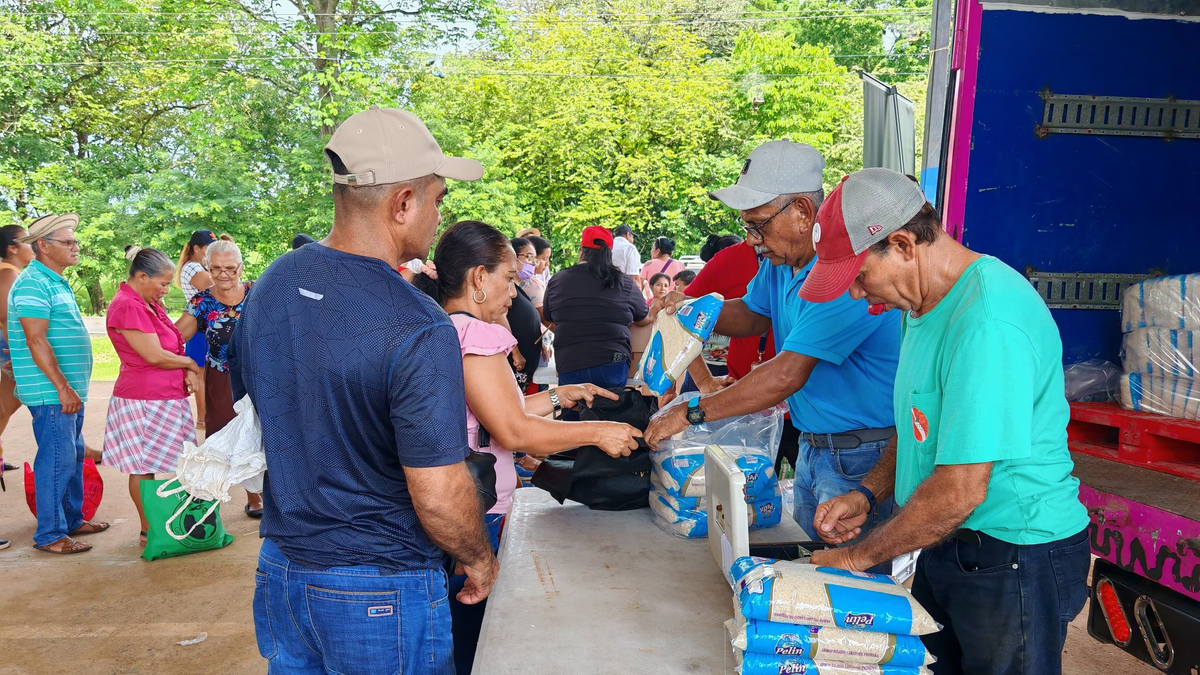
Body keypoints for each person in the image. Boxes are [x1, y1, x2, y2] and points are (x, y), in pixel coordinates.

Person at [231, 106, 497, 674]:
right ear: (403, 203)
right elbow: (438, 491)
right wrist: (477, 556)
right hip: (380, 585)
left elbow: (254, 414)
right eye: (438, 199)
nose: (438, 215)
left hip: (282, 568)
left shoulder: (273, 284)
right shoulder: (417, 323)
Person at [801, 168, 1090, 675]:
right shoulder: (923, 306)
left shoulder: (986, 322)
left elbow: (960, 490)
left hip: (1014, 556)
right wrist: (866, 493)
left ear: (903, 244)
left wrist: (857, 558)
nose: (855, 295)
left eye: (858, 277)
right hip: (948, 539)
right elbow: (919, 428)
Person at [643, 141, 901, 555]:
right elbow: (751, 313)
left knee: (848, 584)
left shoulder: (845, 276)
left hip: (863, 456)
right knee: (809, 564)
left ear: (802, 212)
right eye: (746, 226)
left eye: (758, 225)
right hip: (815, 446)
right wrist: (697, 311)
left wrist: (691, 413)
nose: (751, 240)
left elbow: (785, 374)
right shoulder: (780, 262)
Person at [414, 219, 641, 674]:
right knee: (472, 637)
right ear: (479, 278)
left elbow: (497, 411)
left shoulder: (449, 328)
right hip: (478, 509)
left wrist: (560, 396)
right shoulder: (476, 335)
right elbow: (513, 431)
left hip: (466, 502)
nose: (515, 294)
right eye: (510, 279)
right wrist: (597, 431)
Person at [9, 213, 108, 554]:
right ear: (43, 246)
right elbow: (36, 340)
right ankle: (50, 534)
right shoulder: (33, 282)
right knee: (57, 458)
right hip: (51, 392)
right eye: (67, 242)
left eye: (75, 241)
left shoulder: (54, 280)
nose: (75, 247)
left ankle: (72, 519)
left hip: (66, 390)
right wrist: (62, 387)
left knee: (74, 454)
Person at [103, 247, 200, 545]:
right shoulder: (128, 306)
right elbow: (154, 355)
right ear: (142, 277)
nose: (166, 290)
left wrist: (182, 367)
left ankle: (164, 523)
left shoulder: (145, 302)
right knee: (143, 466)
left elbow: (169, 344)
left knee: (161, 462)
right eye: (163, 283)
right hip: (144, 400)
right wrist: (189, 364)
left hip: (162, 397)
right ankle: (149, 529)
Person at [175, 239, 263, 518]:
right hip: (222, 379)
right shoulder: (202, 301)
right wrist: (186, 365)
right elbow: (176, 337)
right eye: (216, 269)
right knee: (222, 436)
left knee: (264, 435)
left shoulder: (258, 291)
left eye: (230, 268)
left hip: (261, 377)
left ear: (240, 267)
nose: (224, 274)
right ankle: (208, 503)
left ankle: (257, 496)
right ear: (207, 268)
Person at [544, 227, 658, 389]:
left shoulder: (558, 280)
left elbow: (549, 318)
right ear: (608, 253)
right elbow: (642, 319)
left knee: (573, 411)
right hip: (612, 365)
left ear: (581, 250)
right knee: (609, 412)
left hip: (569, 363)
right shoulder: (624, 283)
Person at [0, 226, 35, 466]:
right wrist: (19, 353)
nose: (32, 246)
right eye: (28, 242)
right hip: (7, 347)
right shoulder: (8, 274)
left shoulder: (12, 272)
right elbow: (6, 318)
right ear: (12, 248)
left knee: (6, 406)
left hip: (7, 346)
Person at [176, 229, 216, 428]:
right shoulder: (192, 267)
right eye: (209, 249)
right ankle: (202, 418)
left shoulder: (198, 266)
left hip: (204, 328)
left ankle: (204, 418)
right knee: (201, 374)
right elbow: (215, 285)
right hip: (199, 328)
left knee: (206, 374)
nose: (211, 253)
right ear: (196, 248)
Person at [505, 237, 544, 393]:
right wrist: (516, 352)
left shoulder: (517, 287)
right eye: (528, 257)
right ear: (513, 257)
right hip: (515, 366)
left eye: (534, 258)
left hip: (525, 368)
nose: (533, 262)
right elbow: (499, 319)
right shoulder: (506, 287)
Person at [520, 235, 552, 311]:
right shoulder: (531, 283)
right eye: (544, 259)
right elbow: (546, 320)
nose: (547, 264)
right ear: (532, 258)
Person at [610, 224, 643, 290]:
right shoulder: (630, 248)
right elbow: (634, 278)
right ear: (628, 234)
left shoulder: (608, 247)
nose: (633, 240)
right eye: (633, 237)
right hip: (622, 291)